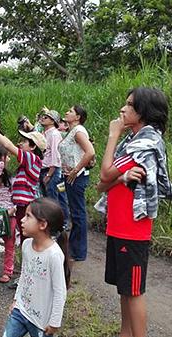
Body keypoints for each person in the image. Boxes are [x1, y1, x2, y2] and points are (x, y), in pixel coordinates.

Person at [92, 87, 172, 337]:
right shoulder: (134, 141)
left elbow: (103, 175)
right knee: (124, 288)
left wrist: (112, 136)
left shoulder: (146, 142)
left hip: (133, 229)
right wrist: (118, 178)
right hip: (119, 223)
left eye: (129, 106)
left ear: (144, 111)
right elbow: (103, 186)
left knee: (134, 290)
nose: (122, 111)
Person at [0, 197, 70, 337]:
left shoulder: (54, 255)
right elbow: (26, 275)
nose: (22, 219)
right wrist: (17, 300)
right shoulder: (27, 245)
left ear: (43, 224)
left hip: (42, 319)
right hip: (22, 311)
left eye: (28, 216)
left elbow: (60, 291)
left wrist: (55, 321)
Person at [0, 118, 44, 246]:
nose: (20, 144)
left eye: (24, 142)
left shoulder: (31, 158)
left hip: (26, 205)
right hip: (21, 205)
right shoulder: (29, 162)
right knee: (24, 234)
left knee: (27, 236)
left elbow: (8, 145)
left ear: (33, 146)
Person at [58, 105, 96, 261]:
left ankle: (78, 252)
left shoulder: (78, 132)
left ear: (78, 117)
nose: (66, 112)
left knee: (78, 213)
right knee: (75, 211)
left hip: (76, 177)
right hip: (70, 176)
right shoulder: (71, 132)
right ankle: (73, 249)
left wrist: (75, 170)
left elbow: (90, 151)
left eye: (70, 111)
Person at [38, 109, 70, 228]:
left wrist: (49, 174)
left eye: (46, 117)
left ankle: (61, 222)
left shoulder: (54, 134)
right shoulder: (44, 134)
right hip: (44, 169)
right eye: (43, 116)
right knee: (49, 197)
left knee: (54, 198)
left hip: (52, 170)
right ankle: (55, 222)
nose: (43, 118)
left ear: (52, 121)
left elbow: (56, 157)